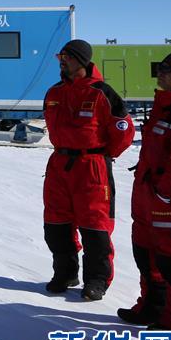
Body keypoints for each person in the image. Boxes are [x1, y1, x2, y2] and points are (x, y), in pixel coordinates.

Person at [118, 50, 171, 339]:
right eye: (160, 68)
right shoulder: (166, 103)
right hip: (148, 193)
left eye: (168, 69)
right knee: (146, 254)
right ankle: (153, 307)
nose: (161, 73)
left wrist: (165, 194)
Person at [43, 39, 135, 300]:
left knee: (95, 225)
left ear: (81, 60)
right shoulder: (54, 93)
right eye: (60, 56)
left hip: (92, 167)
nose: (62, 61)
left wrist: (103, 155)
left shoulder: (102, 92)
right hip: (60, 164)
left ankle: (96, 280)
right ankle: (65, 273)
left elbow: (124, 130)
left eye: (67, 56)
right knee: (55, 223)